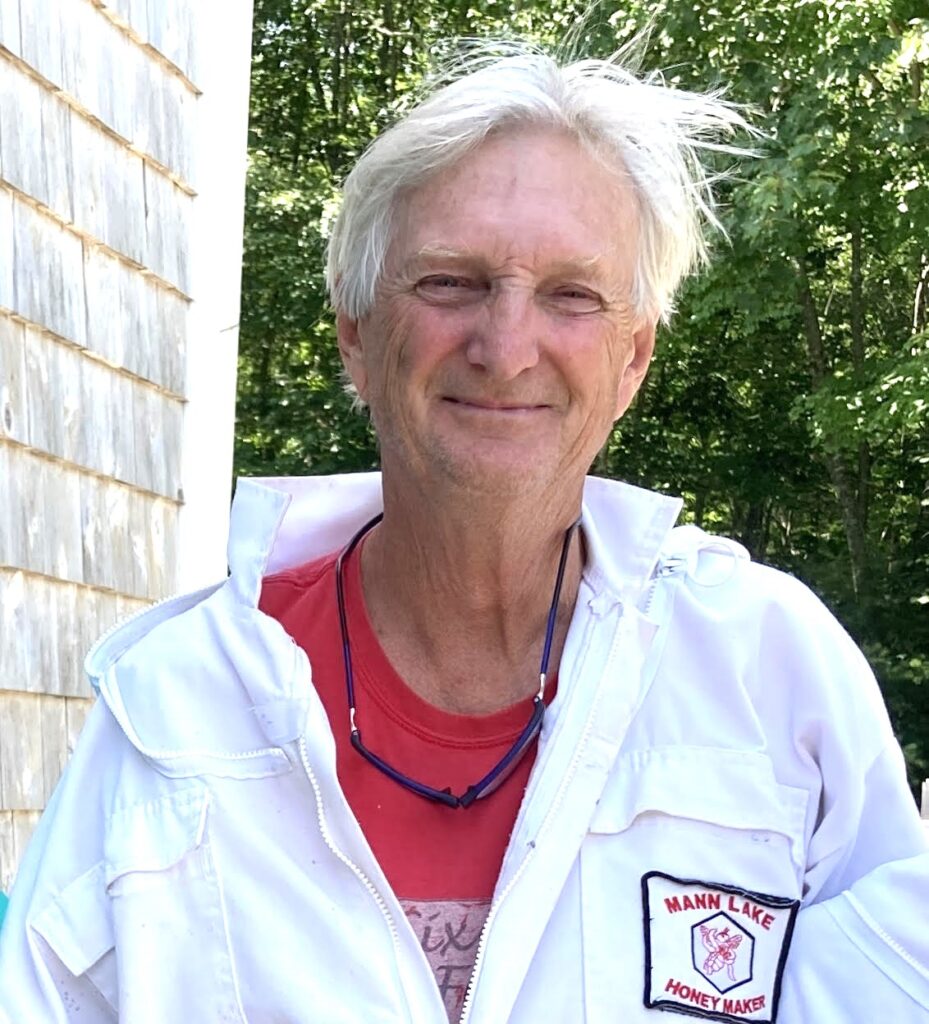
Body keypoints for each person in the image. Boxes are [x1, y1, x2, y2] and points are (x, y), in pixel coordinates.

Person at [1, 42, 927, 1024]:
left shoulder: (765, 676)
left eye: (571, 294)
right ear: (356, 334)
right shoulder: (178, 706)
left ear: (631, 359)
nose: (506, 346)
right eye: (450, 282)